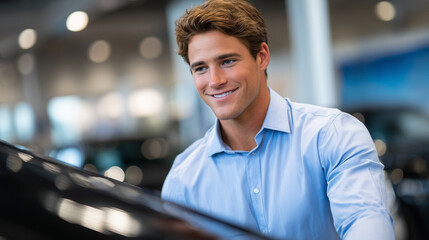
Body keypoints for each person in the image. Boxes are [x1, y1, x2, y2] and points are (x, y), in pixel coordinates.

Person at [161, 0, 395, 239]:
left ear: (261, 57)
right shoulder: (183, 179)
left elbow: (366, 221)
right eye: (200, 68)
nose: (214, 80)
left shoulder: (332, 135)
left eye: (227, 61)